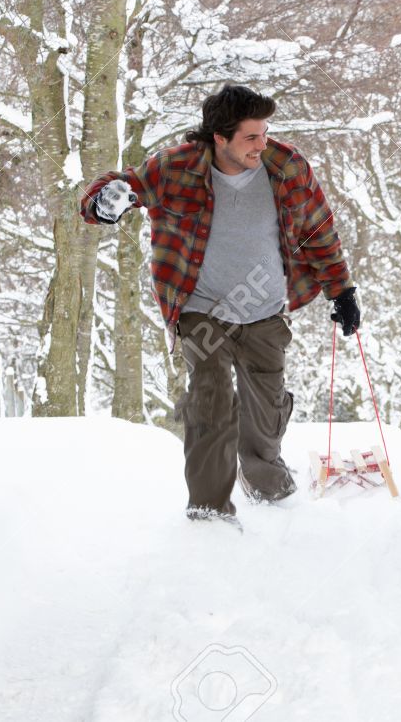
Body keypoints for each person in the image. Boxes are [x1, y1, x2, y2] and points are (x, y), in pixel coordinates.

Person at [80, 84, 361, 526]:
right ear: (220, 137)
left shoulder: (286, 166)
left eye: (265, 133)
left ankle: (267, 483)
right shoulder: (176, 167)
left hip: (265, 307)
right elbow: (122, 187)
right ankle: (208, 511)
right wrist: (103, 201)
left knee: (264, 413)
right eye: (251, 137)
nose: (262, 144)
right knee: (210, 400)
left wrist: (341, 290)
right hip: (201, 308)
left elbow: (317, 231)